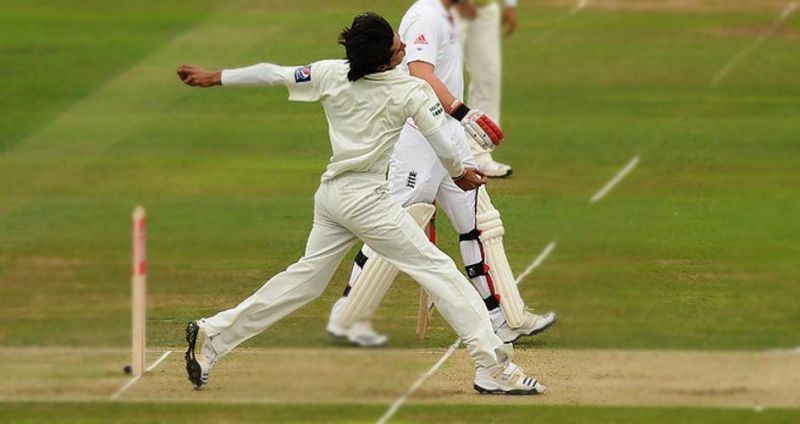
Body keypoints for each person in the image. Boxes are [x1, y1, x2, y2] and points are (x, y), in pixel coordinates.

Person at [176, 12, 546, 395]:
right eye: (397, 47)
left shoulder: (330, 73)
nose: (404, 46)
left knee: (304, 282)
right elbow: (442, 143)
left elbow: (273, 73)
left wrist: (216, 76)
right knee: (440, 272)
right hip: (368, 202)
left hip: (332, 197)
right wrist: (459, 175)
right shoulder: (409, 91)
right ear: (383, 60)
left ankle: (213, 334)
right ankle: (492, 367)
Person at [326, 0, 556, 349]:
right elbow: (419, 71)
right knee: (392, 227)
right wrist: (461, 111)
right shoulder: (425, 15)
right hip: (420, 140)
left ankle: (502, 318)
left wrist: (456, 122)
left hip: (448, 139)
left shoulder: (449, 15)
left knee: (480, 225)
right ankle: (346, 317)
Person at [455, 0, 517, 177]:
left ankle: (479, 154)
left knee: (488, 77)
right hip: (449, 9)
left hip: (484, 9)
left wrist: (511, 4)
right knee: (443, 74)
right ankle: (427, 153)